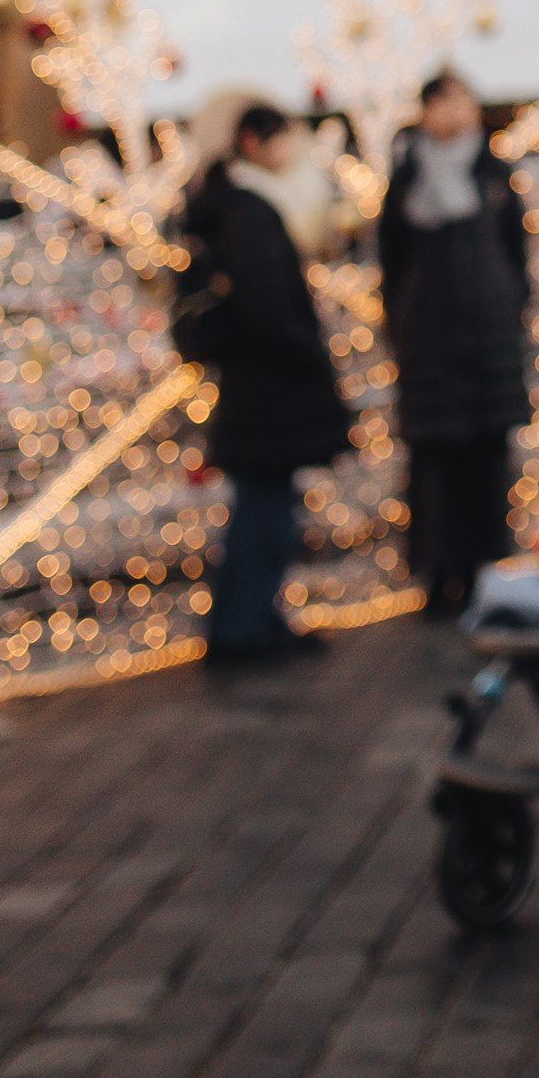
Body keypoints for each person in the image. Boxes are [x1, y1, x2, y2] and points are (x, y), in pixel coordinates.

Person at [175, 102, 352, 663]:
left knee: (264, 504)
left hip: (256, 384)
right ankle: (244, 627)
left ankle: (250, 619)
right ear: (252, 142)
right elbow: (267, 305)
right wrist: (308, 356)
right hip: (268, 386)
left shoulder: (230, 204)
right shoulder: (247, 209)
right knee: (264, 508)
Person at [377, 72, 528, 611]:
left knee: (488, 459)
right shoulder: (405, 179)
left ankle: (487, 568)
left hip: (489, 339)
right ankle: (439, 575)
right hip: (429, 342)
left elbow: (517, 253)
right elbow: (390, 263)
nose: (453, 112)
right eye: (442, 102)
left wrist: (510, 315)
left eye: (462, 99)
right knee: (436, 462)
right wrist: (401, 326)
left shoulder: (494, 172)